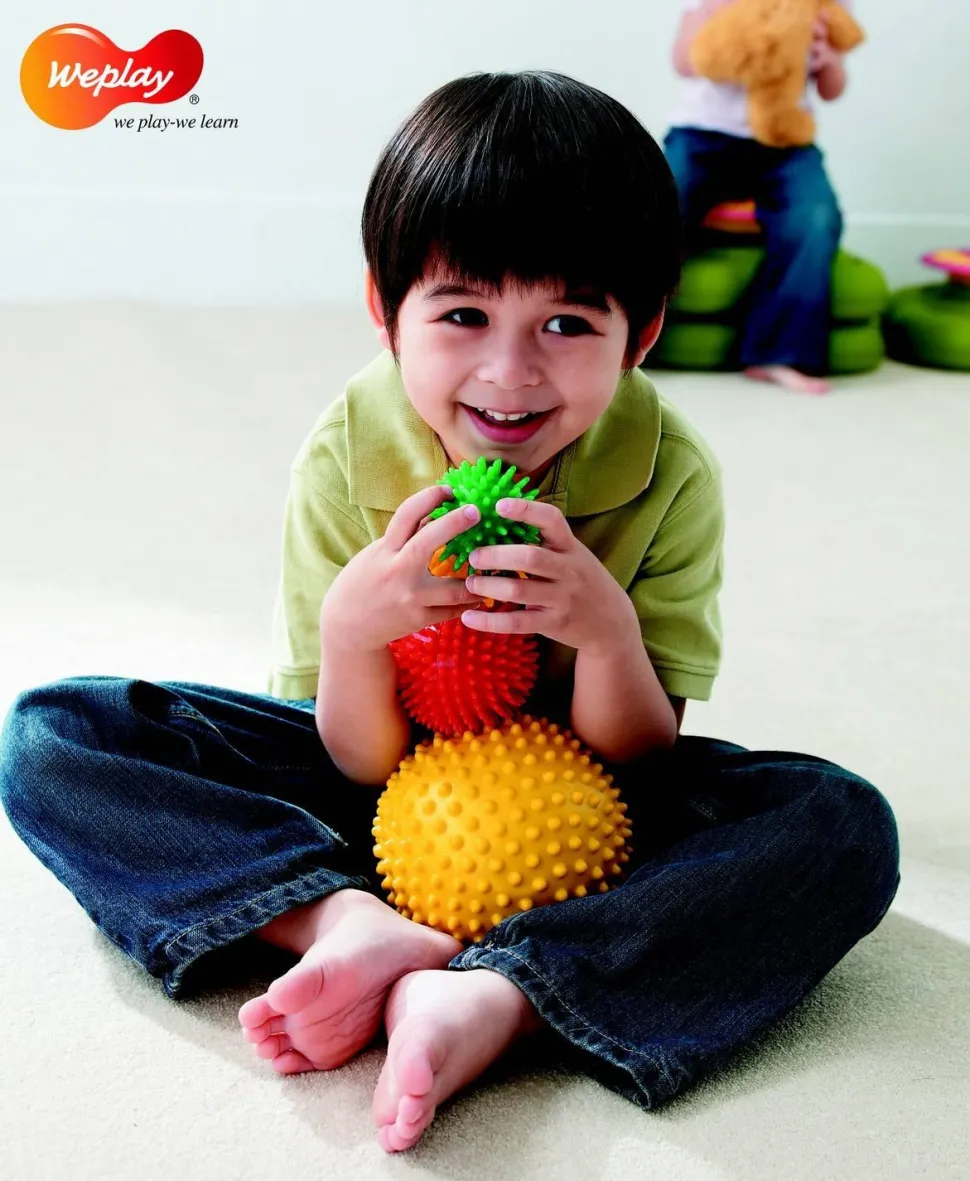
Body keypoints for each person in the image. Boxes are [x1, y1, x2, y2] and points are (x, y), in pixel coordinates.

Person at [0, 70, 898, 1154]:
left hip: (592, 799)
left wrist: (605, 631)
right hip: (370, 790)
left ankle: (506, 991)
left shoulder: (670, 470)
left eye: (567, 322)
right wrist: (351, 633)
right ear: (386, 311)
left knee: (836, 821)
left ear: (642, 333)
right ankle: (340, 918)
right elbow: (353, 758)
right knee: (56, 732)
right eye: (463, 314)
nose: (509, 373)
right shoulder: (346, 450)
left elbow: (646, 752)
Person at [666, 0, 852, 394]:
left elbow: (832, 89)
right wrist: (730, 19)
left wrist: (827, 59)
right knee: (660, 207)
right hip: (702, 134)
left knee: (816, 216)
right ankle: (623, 333)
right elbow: (683, 62)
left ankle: (780, 352)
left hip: (786, 141)